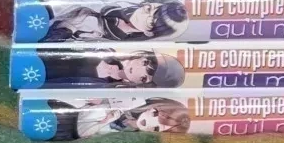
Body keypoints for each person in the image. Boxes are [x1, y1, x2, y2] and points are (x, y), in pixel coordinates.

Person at [40, 0, 190, 42]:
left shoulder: (118, 39)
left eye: (151, 21)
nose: (143, 14)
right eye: (148, 9)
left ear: (150, 32)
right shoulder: (115, 7)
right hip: (46, 17)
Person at [47, 98, 191, 139]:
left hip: (64, 134)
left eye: (156, 128)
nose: (149, 123)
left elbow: (83, 133)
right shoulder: (127, 102)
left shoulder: (126, 137)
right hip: (60, 113)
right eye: (155, 114)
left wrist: (105, 122)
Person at [40, 50, 186, 88]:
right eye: (145, 62)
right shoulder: (106, 51)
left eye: (144, 77)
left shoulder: (102, 90)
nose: (138, 70)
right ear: (142, 56)